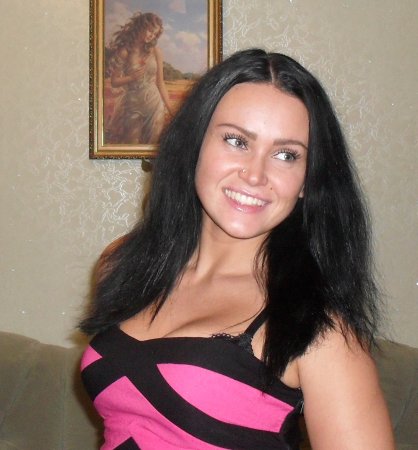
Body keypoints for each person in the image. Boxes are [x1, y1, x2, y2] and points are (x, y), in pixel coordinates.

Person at [80, 49, 395, 449]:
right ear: (195, 143)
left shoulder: (315, 328)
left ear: (306, 181)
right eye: (236, 141)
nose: (255, 174)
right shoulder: (123, 264)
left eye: (286, 155)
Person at [105, 12, 173, 145]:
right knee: (132, 145)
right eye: (150, 31)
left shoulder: (156, 52)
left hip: (154, 104)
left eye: (155, 34)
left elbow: (160, 83)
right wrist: (131, 77)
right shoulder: (125, 52)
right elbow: (114, 82)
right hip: (133, 104)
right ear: (141, 26)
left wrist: (171, 110)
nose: (151, 36)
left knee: (153, 145)